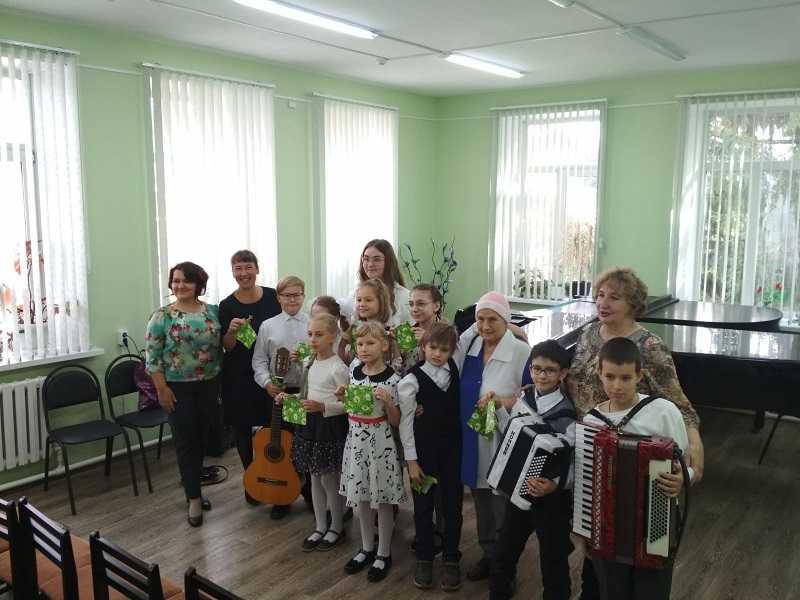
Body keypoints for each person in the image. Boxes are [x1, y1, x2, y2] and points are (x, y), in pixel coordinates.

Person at [567, 267, 704, 599]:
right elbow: (573, 380)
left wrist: (694, 461)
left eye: (614, 297)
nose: (603, 303)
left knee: (638, 551)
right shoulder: (588, 334)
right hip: (591, 443)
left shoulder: (649, 346)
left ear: (633, 303)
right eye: (600, 295)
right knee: (598, 552)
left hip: (634, 444)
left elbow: (677, 404)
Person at [583, 337, 692, 600]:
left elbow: (685, 465)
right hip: (607, 524)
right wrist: (583, 528)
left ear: (639, 375)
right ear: (599, 373)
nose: (616, 386)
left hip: (656, 518)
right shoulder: (591, 422)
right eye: (609, 377)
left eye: (625, 378)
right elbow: (586, 482)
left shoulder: (663, 411)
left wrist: (682, 479)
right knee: (612, 591)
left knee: (651, 590)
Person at [486, 340, 576, 600]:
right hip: (519, 492)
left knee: (554, 560)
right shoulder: (524, 399)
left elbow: (573, 462)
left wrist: (554, 484)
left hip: (552, 500)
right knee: (504, 551)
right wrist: (497, 410)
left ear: (562, 373)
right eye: (536, 369)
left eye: (549, 370)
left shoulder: (566, 416)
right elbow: (513, 434)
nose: (542, 375)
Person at [454, 291, 530, 581]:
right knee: (481, 500)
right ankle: (489, 553)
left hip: (502, 438)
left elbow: (531, 397)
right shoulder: (471, 346)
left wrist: (502, 402)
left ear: (506, 320)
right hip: (473, 438)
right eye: (480, 319)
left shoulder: (520, 351)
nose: (485, 326)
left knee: (503, 505)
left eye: (493, 320)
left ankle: (505, 566)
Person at [145, 262, 222, 527]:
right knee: (185, 442)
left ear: (199, 284)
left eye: (186, 281)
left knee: (201, 441)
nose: (180, 286)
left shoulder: (212, 312)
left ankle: (195, 488)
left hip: (209, 385)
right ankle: (193, 499)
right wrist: (161, 390)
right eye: (176, 281)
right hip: (177, 388)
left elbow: (224, 345)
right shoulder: (162, 317)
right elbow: (152, 359)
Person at [338, 321, 405, 583]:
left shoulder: (393, 379)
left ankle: (383, 552)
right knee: (362, 499)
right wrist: (344, 395)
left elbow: (396, 421)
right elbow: (351, 406)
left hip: (380, 443)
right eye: (360, 344)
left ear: (384, 345)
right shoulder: (354, 370)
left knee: (383, 500)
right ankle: (366, 547)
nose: (364, 349)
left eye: (370, 343)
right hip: (356, 441)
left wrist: (388, 401)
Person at [398, 322, 463, 592]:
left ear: (452, 351)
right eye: (432, 347)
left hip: (452, 453)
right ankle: (424, 557)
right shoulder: (411, 381)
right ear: (423, 346)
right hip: (423, 456)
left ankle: (451, 557)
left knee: (452, 506)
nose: (437, 354)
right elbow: (405, 423)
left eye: (444, 349)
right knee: (423, 508)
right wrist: (411, 461)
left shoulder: (455, 370)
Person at [218, 250, 281, 501]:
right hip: (239, 376)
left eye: (248, 267)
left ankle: (273, 477)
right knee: (242, 428)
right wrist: (231, 332)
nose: (243, 273)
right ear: (232, 272)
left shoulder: (273, 297)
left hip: (271, 373)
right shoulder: (226, 305)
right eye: (238, 268)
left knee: (272, 427)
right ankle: (251, 480)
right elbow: (228, 346)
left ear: (257, 269)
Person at [286, 314, 350, 552]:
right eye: (310, 334)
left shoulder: (338, 368)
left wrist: (324, 407)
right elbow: (307, 393)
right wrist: (290, 398)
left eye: (319, 335)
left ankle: (336, 526)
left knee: (329, 479)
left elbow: (348, 404)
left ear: (333, 337)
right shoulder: (308, 362)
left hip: (329, 426)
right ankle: (320, 525)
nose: (313, 339)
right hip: (309, 424)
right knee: (314, 477)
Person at [251, 275, 310, 519]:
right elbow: (259, 360)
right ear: (278, 298)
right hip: (279, 394)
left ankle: (308, 492)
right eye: (287, 295)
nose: (292, 299)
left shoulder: (312, 323)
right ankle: (282, 496)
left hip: (305, 393)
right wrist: (267, 383)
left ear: (304, 296)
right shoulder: (268, 326)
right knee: (283, 442)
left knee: (304, 442)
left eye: (297, 295)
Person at [340, 239, 411, 327]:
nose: (370, 264)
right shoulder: (355, 293)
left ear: (388, 262)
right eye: (366, 259)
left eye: (377, 259)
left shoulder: (404, 296)